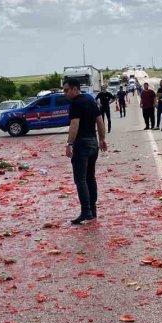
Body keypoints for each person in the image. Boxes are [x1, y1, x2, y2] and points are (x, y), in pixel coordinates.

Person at [64, 78, 108, 225]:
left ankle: (86, 211)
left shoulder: (75, 103)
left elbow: (74, 124)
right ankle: (93, 210)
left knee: (80, 179)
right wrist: (101, 139)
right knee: (90, 178)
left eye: (67, 90)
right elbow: (100, 120)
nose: (65, 93)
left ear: (75, 89)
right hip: (93, 143)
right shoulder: (90, 100)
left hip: (81, 144)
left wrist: (69, 143)